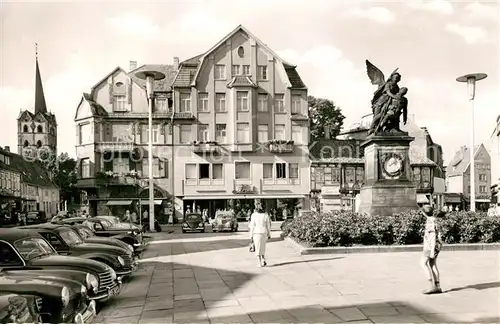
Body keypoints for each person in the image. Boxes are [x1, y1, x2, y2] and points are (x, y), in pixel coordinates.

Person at [421, 205, 444, 294]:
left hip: (430, 245)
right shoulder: (434, 219)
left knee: (423, 263)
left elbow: (432, 235)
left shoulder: (430, 221)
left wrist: (431, 249)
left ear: (423, 212)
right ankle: (437, 286)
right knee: (433, 264)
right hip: (436, 245)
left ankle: (431, 286)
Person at [249, 202, 272, 267]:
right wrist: (269, 234)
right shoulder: (265, 215)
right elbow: (268, 226)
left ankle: (260, 262)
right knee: (262, 247)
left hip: (256, 233)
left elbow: (252, 226)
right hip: (264, 232)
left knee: (257, 248)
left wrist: (251, 236)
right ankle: (263, 260)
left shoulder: (254, 215)